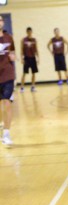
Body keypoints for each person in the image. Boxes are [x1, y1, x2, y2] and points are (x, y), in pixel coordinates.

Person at [0, 15, 16, 146]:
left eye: (0, 19)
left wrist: (13, 56)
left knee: (7, 103)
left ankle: (6, 133)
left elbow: (13, 53)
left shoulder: (9, 38)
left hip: (8, 75)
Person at [20, 27, 39, 92]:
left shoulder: (34, 40)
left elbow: (36, 49)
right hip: (26, 58)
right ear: (27, 32)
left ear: (31, 32)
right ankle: (22, 87)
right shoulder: (23, 40)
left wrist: (38, 58)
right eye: (28, 32)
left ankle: (33, 87)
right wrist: (22, 58)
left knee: (33, 73)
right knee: (24, 73)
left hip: (33, 58)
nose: (29, 33)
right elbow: (21, 50)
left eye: (30, 32)